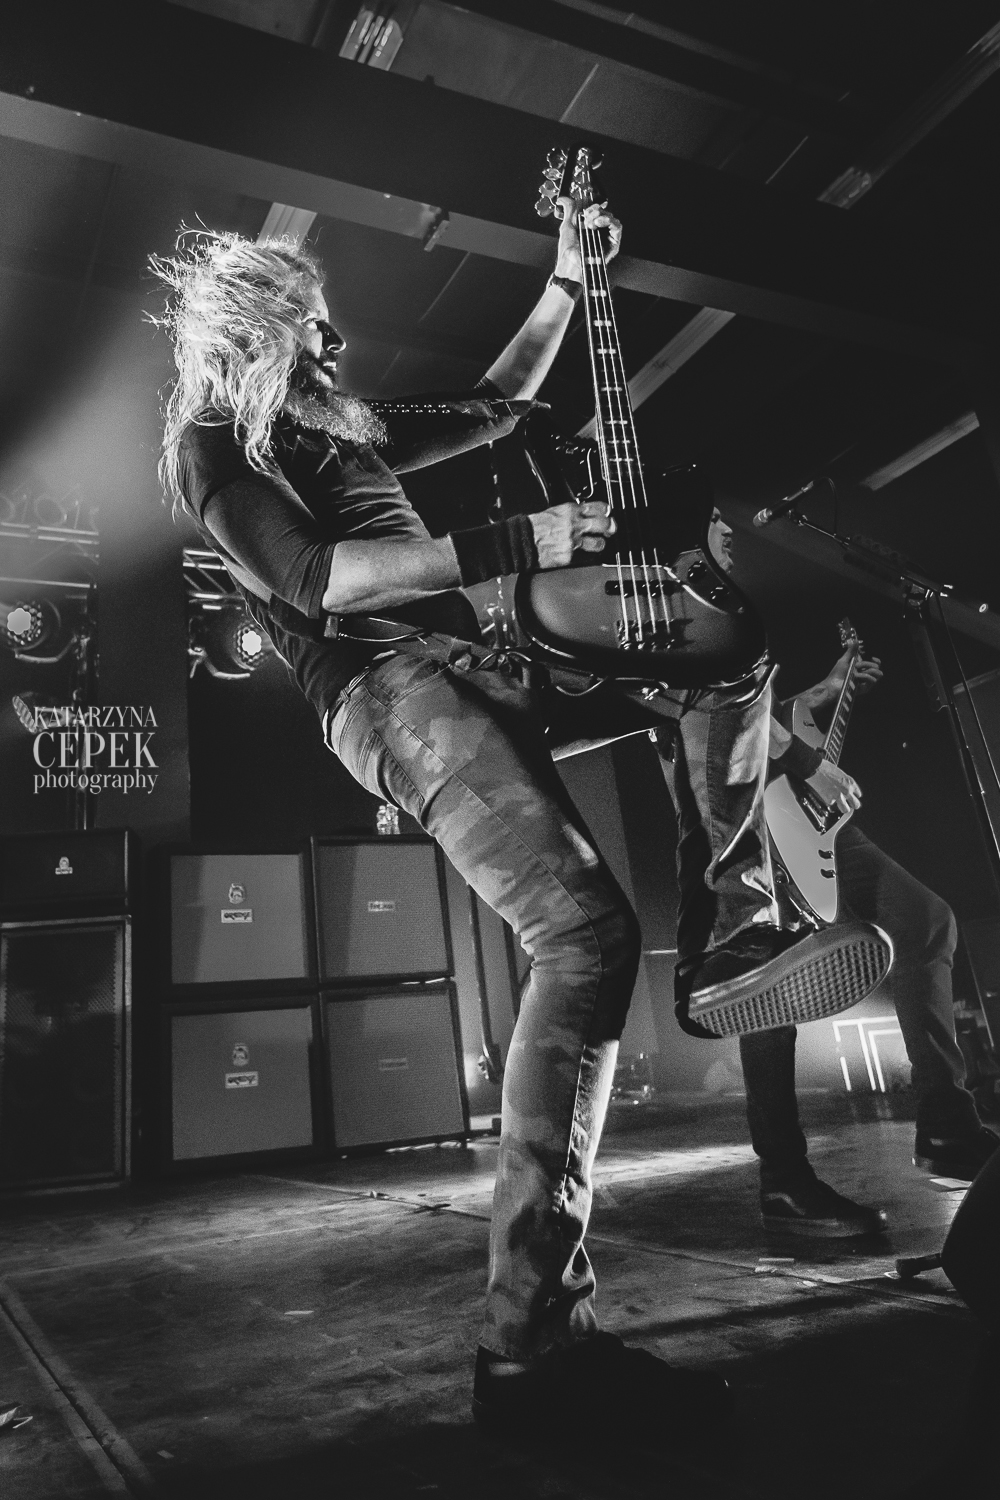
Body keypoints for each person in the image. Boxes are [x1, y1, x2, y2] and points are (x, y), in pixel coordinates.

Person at [150, 204, 887, 1440]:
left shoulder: (344, 423)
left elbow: (497, 398)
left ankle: (737, 926)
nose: (333, 339)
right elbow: (320, 582)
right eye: (309, 321)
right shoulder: (216, 438)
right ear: (252, 325)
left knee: (721, 652)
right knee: (585, 936)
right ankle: (531, 1342)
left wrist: (563, 279)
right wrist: (519, 537)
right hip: (392, 694)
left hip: (482, 655)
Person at [696, 509, 999, 1237]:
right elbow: (711, 703)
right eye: (712, 522)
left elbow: (767, 709)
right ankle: (783, 1176)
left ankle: (945, 1121)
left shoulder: (737, 609)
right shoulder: (683, 602)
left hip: (804, 811)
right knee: (768, 978)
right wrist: (811, 763)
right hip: (742, 819)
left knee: (925, 917)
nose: (728, 530)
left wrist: (827, 688)